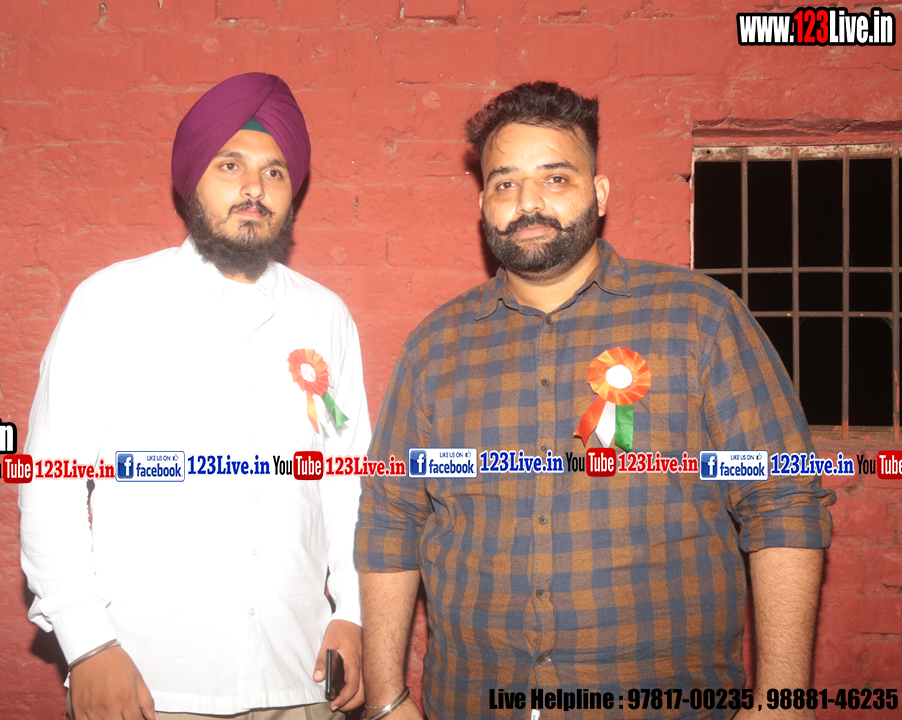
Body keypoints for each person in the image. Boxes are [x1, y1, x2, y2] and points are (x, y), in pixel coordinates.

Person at [355, 81, 834, 720]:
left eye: (555, 178)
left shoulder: (700, 318)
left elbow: (784, 500)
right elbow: (390, 518)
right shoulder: (435, 346)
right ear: (483, 204)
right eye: (505, 183)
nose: (528, 202)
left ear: (600, 193)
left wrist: (784, 702)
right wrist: (386, 698)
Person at [20, 72, 370, 720]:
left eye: (273, 172)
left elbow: (347, 482)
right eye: (230, 165)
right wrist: (88, 644)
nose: (253, 188)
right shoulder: (110, 302)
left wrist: (351, 611)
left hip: (299, 676)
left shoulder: (325, 316)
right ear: (191, 181)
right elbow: (50, 482)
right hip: (146, 684)